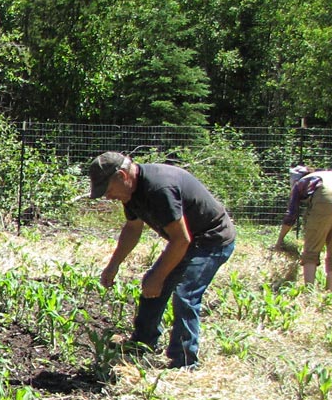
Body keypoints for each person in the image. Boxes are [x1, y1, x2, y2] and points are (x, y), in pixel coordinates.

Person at [86, 151, 237, 369]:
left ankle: (184, 363)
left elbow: (181, 240)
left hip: (212, 239)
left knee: (185, 293)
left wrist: (158, 277)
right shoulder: (131, 191)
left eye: (108, 190)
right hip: (188, 240)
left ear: (122, 175)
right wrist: (113, 265)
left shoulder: (159, 189)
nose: (108, 197)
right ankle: (143, 344)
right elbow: (132, 228)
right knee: (152, 284)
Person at [275, 166, 332, 291]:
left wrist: (280, 240)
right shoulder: (329, 176)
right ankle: (330, 292)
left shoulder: (301, 183)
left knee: (311, 249)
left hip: (326, 199)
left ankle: (309, 291)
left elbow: (291, 216)